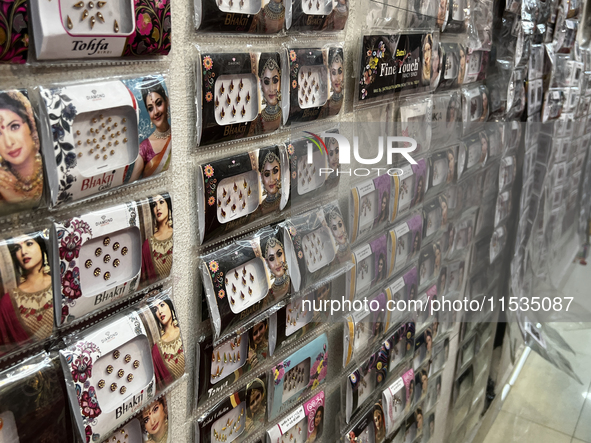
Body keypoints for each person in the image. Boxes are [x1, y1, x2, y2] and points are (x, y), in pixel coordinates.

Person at [0, 234, 53, 352]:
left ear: (41, 247)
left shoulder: (63, 284)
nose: (23, 252)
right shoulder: (8, 302)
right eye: (17, 248)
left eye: (29, 244)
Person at [0, 92, 43, 208]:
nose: (9, 143)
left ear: (31, 125)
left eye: (14, 126)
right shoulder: (2, 185)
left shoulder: (53, 163)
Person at [136, 81, 172, 178]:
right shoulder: (144, 148)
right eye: (150, 108)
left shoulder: (178, 135)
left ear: (167, 101)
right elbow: (132, 187)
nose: (156, 112)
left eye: (159, 103)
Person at [150, 298, 185, 389]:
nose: (160, 311)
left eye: (162, 305)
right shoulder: (157, 349)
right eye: (155, 310)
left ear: (170, 306)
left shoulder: (184, 332)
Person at [141, 194, 173, 286]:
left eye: (161, 202)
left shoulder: (179, 236)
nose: (158, 207)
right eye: (154, 205)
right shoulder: (147, 245)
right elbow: (144, 283)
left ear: (168, 205)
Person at [248, 54, 282, 136]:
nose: (271, 88)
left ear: (281, 81)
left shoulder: (287, 117)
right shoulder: (255, 123)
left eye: (275, 80)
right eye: (266, 82)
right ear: (261, 83)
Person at [320, 50, 344, 118]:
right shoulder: (325, 104)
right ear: (329, 74)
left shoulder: (347, 102)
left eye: (340, 72)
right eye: (333, 73)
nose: (337, 78)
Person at [257, 150, 282, 215]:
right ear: (262, 177)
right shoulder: (259, 211)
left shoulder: (286, 200)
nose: (272, 179)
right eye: (267, 174)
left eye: (275, 171)